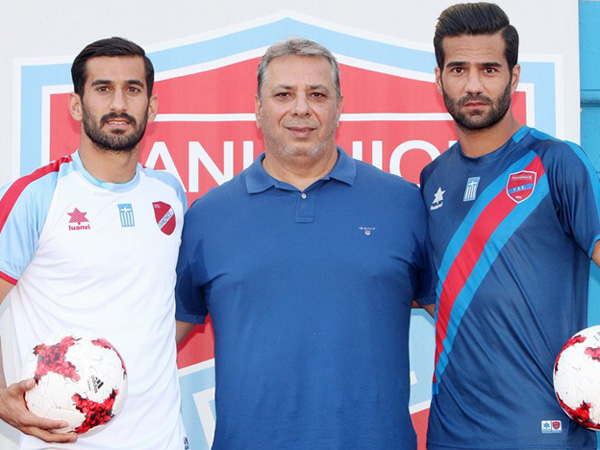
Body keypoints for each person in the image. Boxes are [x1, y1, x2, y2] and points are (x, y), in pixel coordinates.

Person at [175, 37, 435, 450]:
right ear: (258, 108)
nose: (301, 109)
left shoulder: (403, 204)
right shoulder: (208, 217)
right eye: (283, 95)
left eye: (317, 94)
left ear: (339, 106)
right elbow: (159, 338)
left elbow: (464, 324)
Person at [420, 3, 600, 449]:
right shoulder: (432, 178)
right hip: (449, 434)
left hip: (543, 433)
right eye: (458, 69)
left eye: (489, 69)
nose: (474, 85)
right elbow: (439, 298)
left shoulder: (557, 162)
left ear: (514, 76)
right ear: (439, 79)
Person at [0, 37, 188, 449]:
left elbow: (167, 305)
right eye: (103, 89)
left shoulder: (170, 194)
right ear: (75, 104)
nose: (118, 103)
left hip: (162, 440)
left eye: (132, 89)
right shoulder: (36, 197)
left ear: (151, 106)